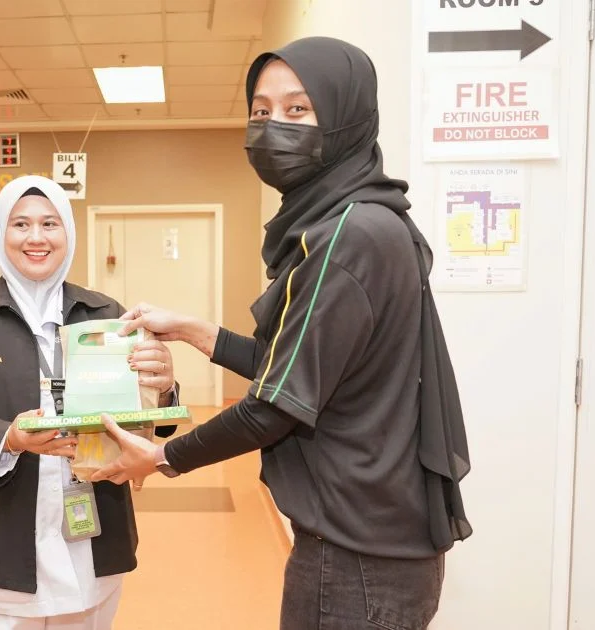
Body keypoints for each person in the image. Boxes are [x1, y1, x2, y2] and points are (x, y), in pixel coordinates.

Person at [91, 37, 472, 630]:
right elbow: (298, 368)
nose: (274, 129)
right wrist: (194, 330)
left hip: (357, 560)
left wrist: (161, 456)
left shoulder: (346, 238)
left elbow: (276, 405)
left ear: (346, 117)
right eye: (261, 111)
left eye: (298, 109)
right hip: (376, 545)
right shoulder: (368, 219)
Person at [0, 175, 179, 629]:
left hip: (93, 527)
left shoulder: (105, 315)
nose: (36, 237)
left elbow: (145, 410)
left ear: (67, 232)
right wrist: (8, 438)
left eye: (50, 223)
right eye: (21, 224)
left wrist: (164, 385)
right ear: (0, 233)